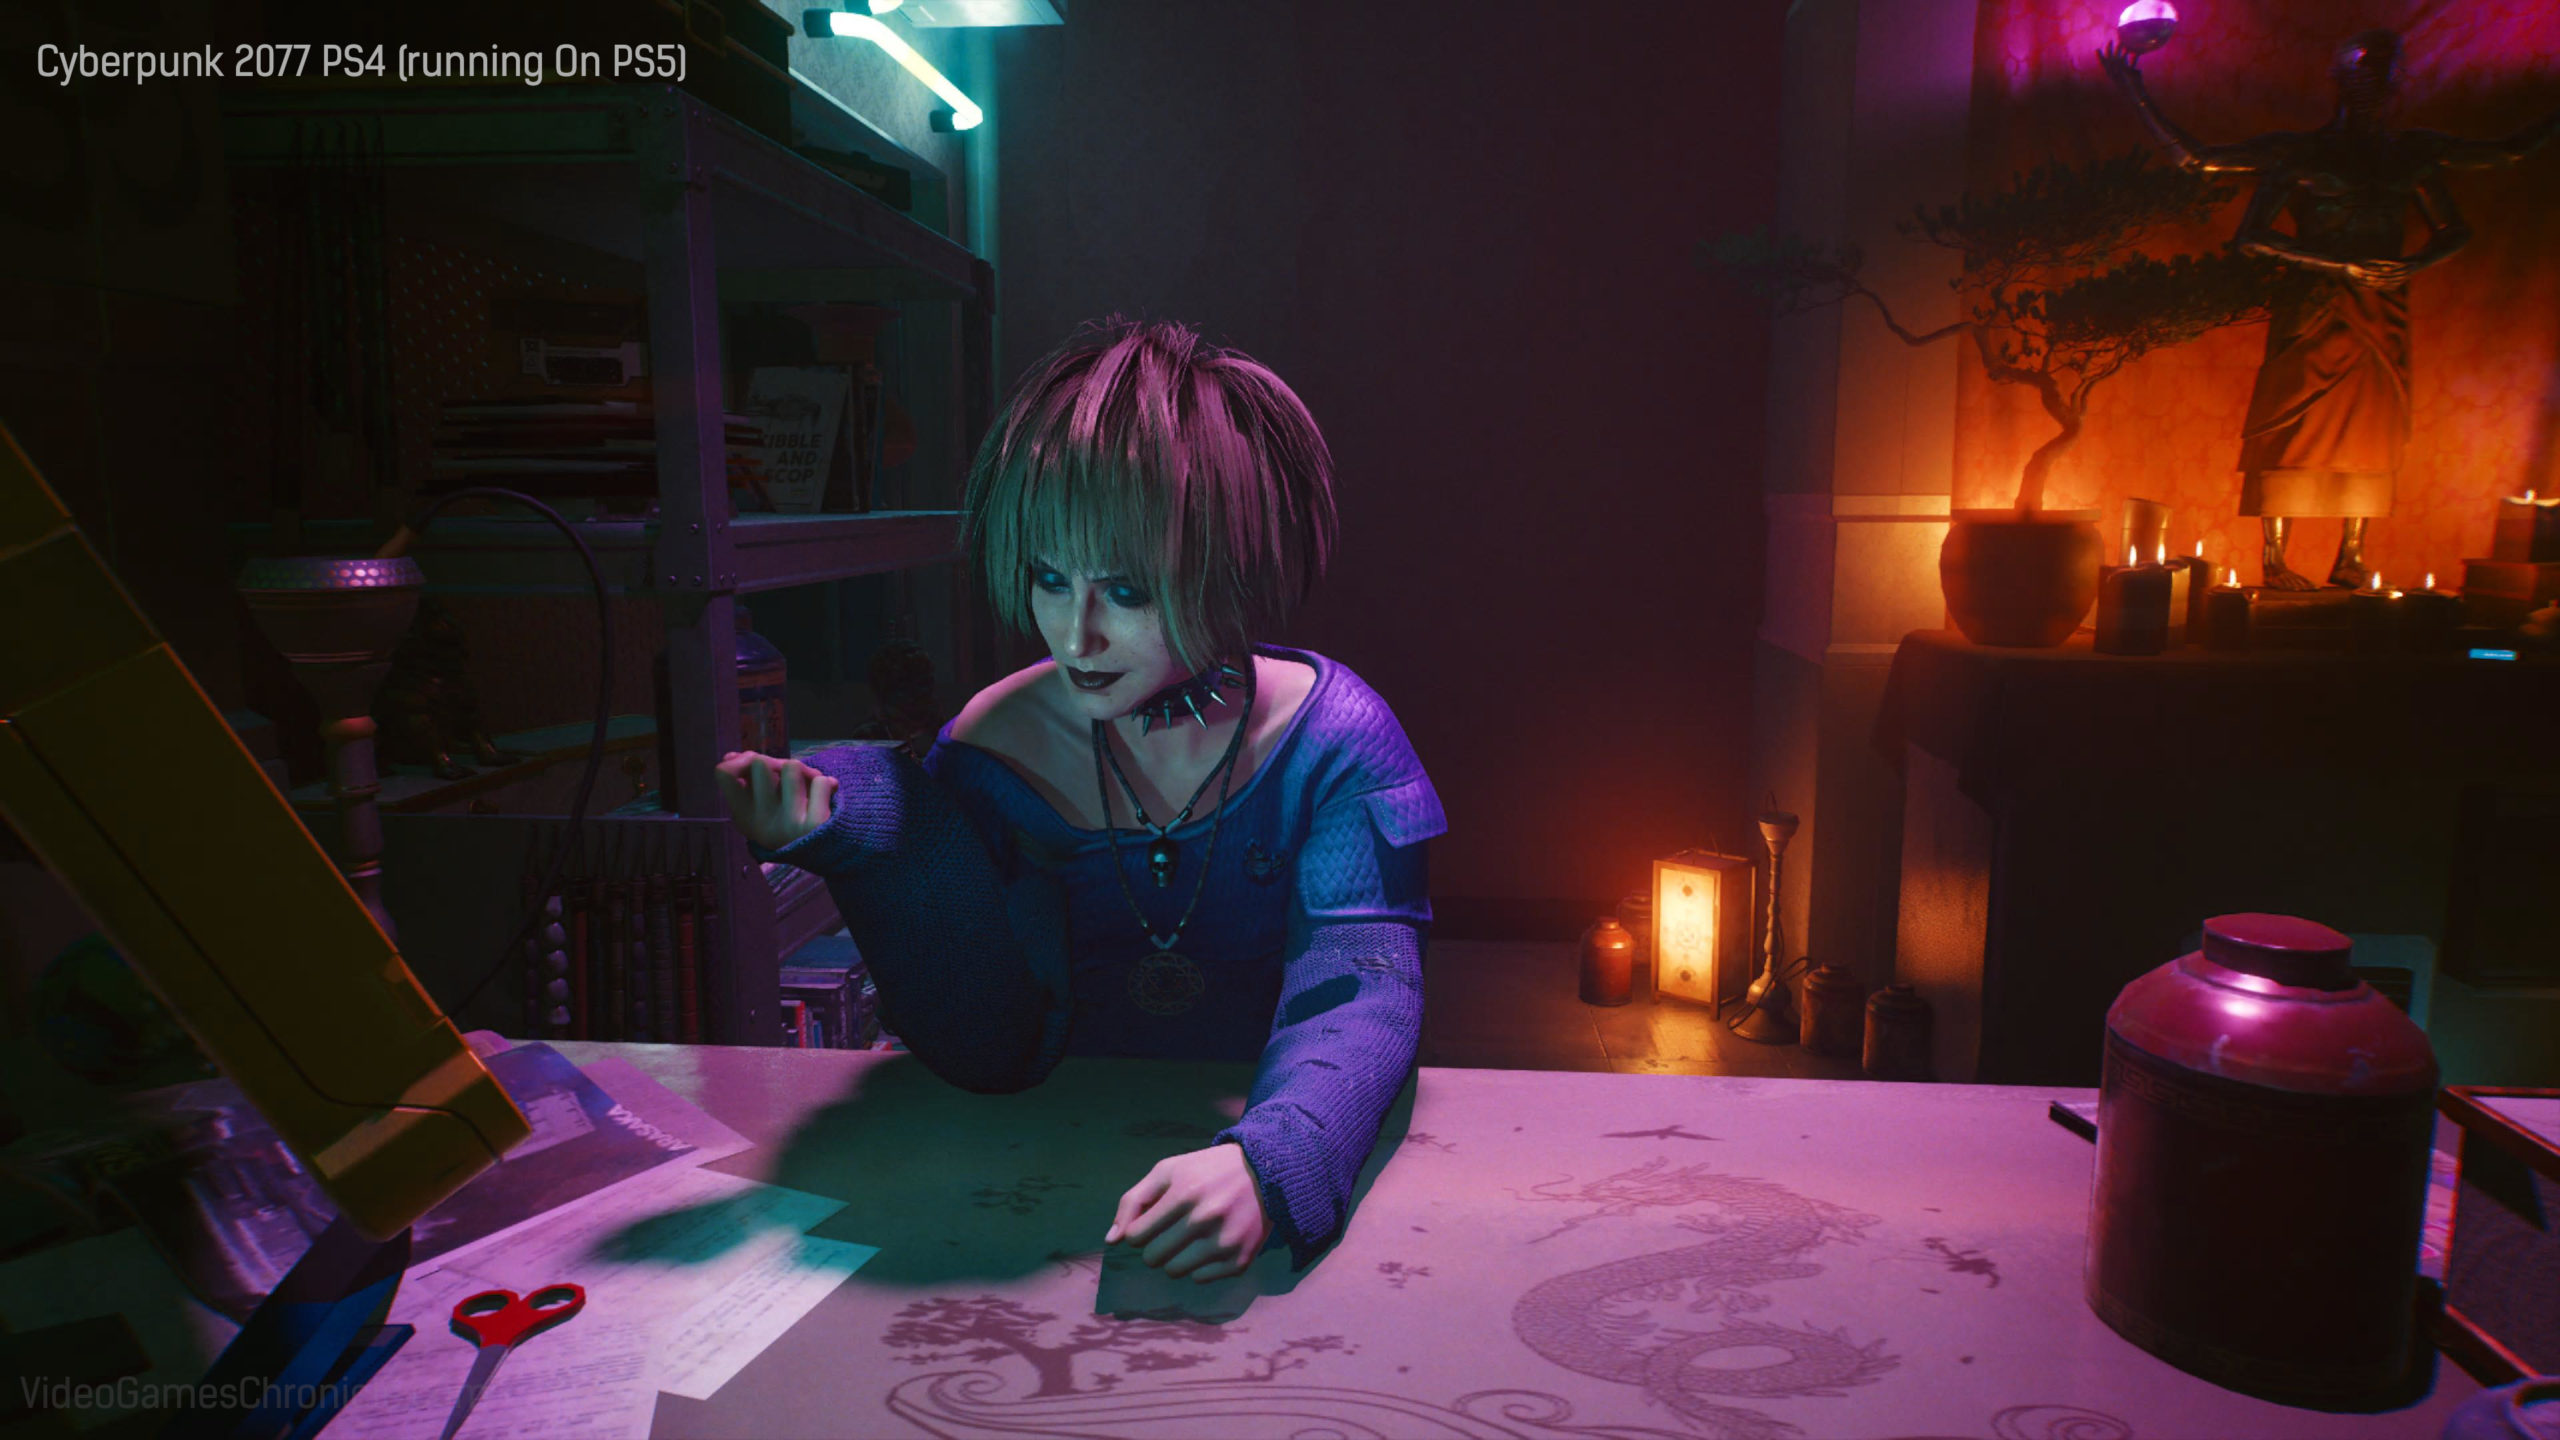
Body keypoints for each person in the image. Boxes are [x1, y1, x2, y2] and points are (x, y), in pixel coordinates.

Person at [716, 318, 1443, 1285]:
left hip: (1271, 1136)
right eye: (1050, 581)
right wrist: (871, 834)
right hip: (1027, 1165)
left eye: (1128, 592)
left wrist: (1274, 1161)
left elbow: (1362, 987)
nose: (1075, 635)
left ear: (1229, 563)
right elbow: (983, 1036)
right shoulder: (994, 746)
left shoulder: (1338, 739)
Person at [2102, 30, 2560, 590]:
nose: (2372, 88)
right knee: (2291, 422)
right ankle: (2274, 559)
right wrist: (2137, 94)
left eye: (2383, 76)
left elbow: (2498, 166)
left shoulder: (2411, 155)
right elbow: (2214, 179)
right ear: (2339, 80)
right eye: (2362, 75)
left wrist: (2413, 263)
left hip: (2381, 305)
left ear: (2396, 84)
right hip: (2314, 301)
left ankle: (2351, 556)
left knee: (2371, 428)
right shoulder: (2300, 153)